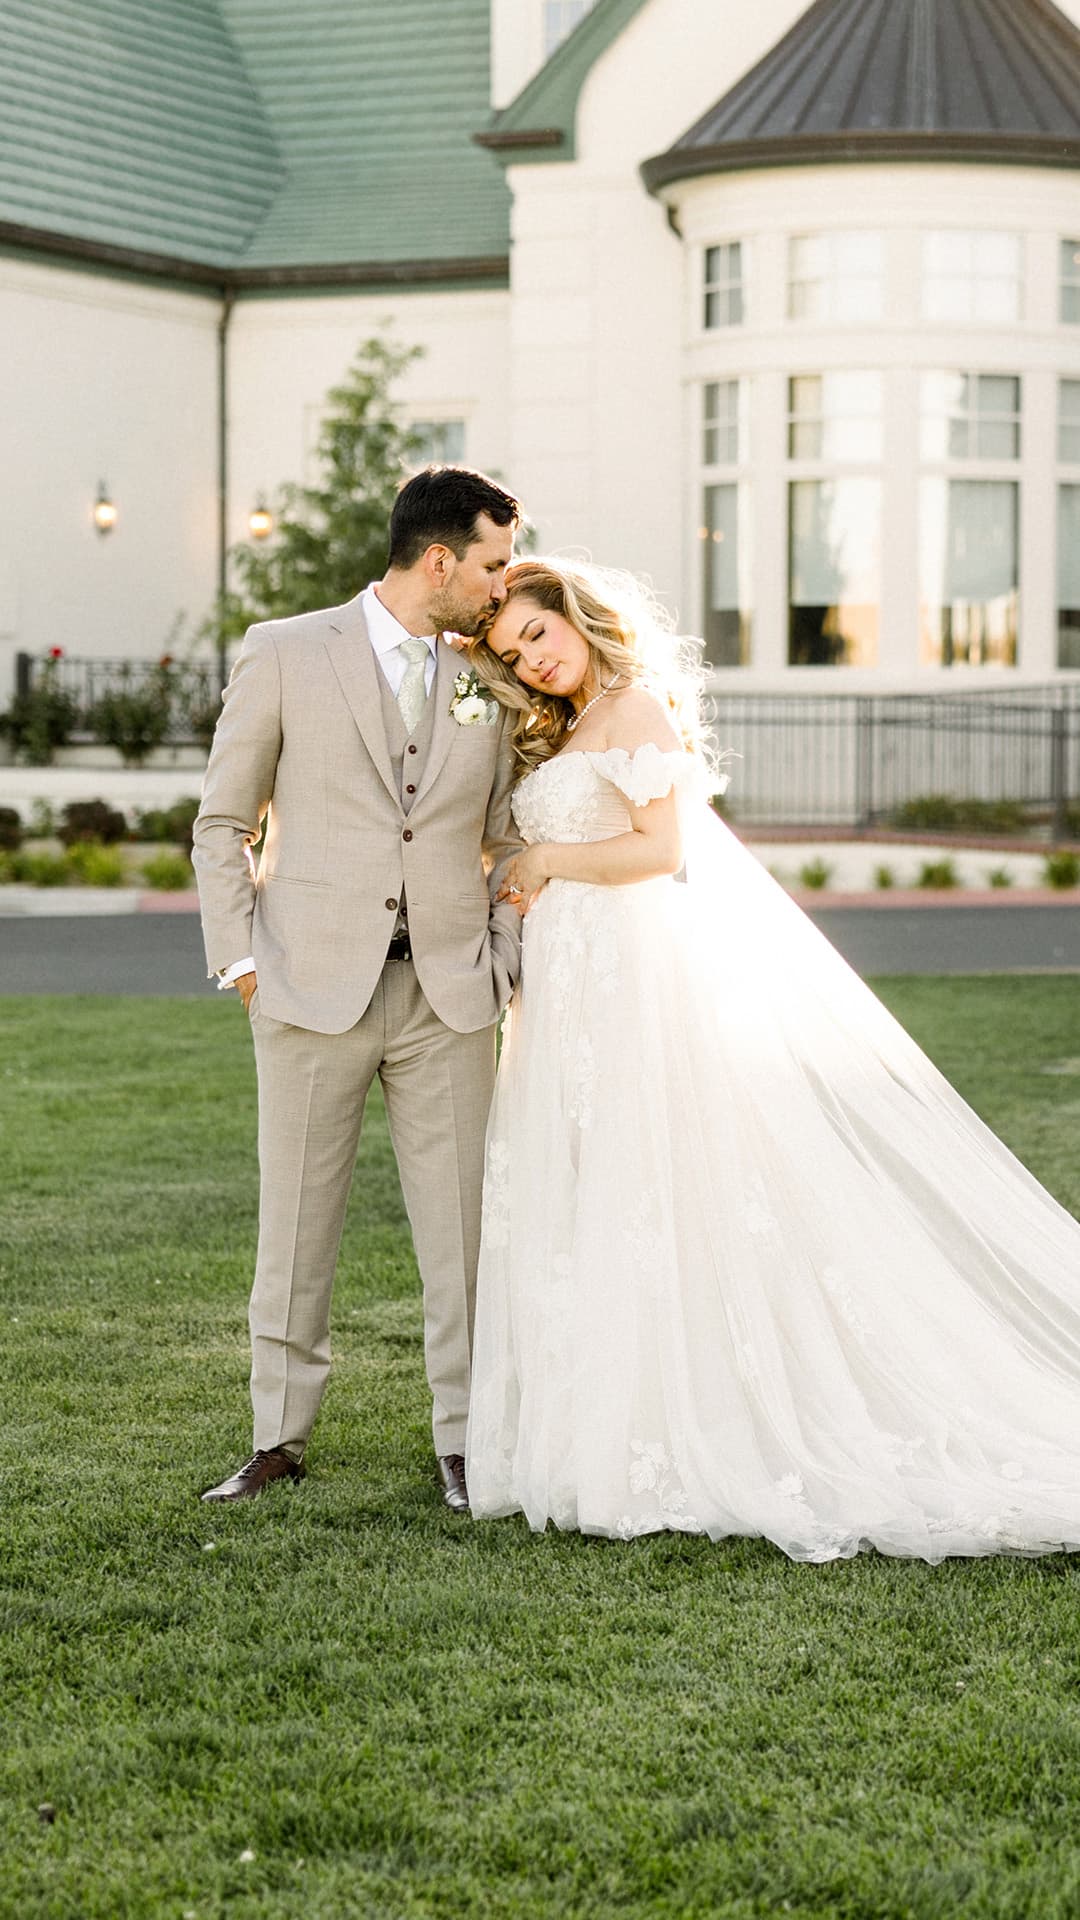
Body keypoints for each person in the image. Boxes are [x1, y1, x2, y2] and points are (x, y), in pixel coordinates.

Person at [463, 556, 1080, 1561]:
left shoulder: (634, 711)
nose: (530, 663)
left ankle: (668, 1423)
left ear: (575, 616)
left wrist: (544, 862)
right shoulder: (568, 727)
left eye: (536, 636)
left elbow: (662, 853)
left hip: (625, 981)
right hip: (570, 990)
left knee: (644, 1180)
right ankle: (596, 1416)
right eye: (511, 655)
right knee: (585, 1184)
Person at [193, 465, 524, 1511]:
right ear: (439, 560)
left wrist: (501, 954)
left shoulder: (487, 674)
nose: (502, 586)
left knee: (463, 1231)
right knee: (293, 1224)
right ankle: (277, 1440)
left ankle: (467, 1445)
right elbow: (220, 822)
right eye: (492, 564)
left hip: (450, 998)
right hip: (308, 987)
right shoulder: (285, 651)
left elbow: (512, 836)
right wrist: (242, 962)